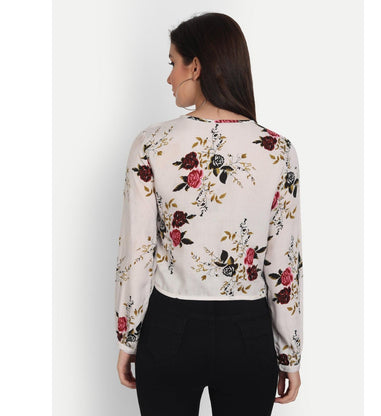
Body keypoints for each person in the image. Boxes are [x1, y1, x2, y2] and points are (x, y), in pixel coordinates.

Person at [115, 12, 303, 416]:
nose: (169, 77)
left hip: (170, 329)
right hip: (247, 334)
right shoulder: (277, 151)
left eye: (173, 63)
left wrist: (128, 338)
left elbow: (137, 252)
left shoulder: (152, 144)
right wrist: (289, 354)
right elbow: (283, 263)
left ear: (195, 67)